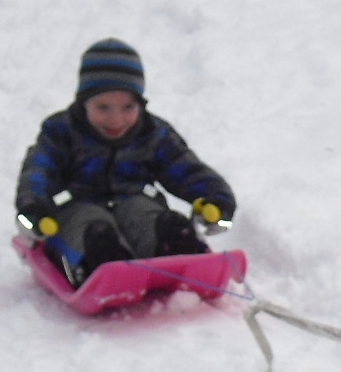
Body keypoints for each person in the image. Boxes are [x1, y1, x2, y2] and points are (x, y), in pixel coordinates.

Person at [15, 38, 237, 286]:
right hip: (80, 207)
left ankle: (180, 255)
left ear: (141, 104)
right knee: (93, 230)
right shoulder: (62, 131)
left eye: (128, 107)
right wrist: (33, 207)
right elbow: (40, 169)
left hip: (135, 202)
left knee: (157, 220)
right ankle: (104, 268)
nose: (116, 119)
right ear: (83, 103)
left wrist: (217, 198)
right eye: (103, 107)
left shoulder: (152, 133)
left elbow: (186, 169)